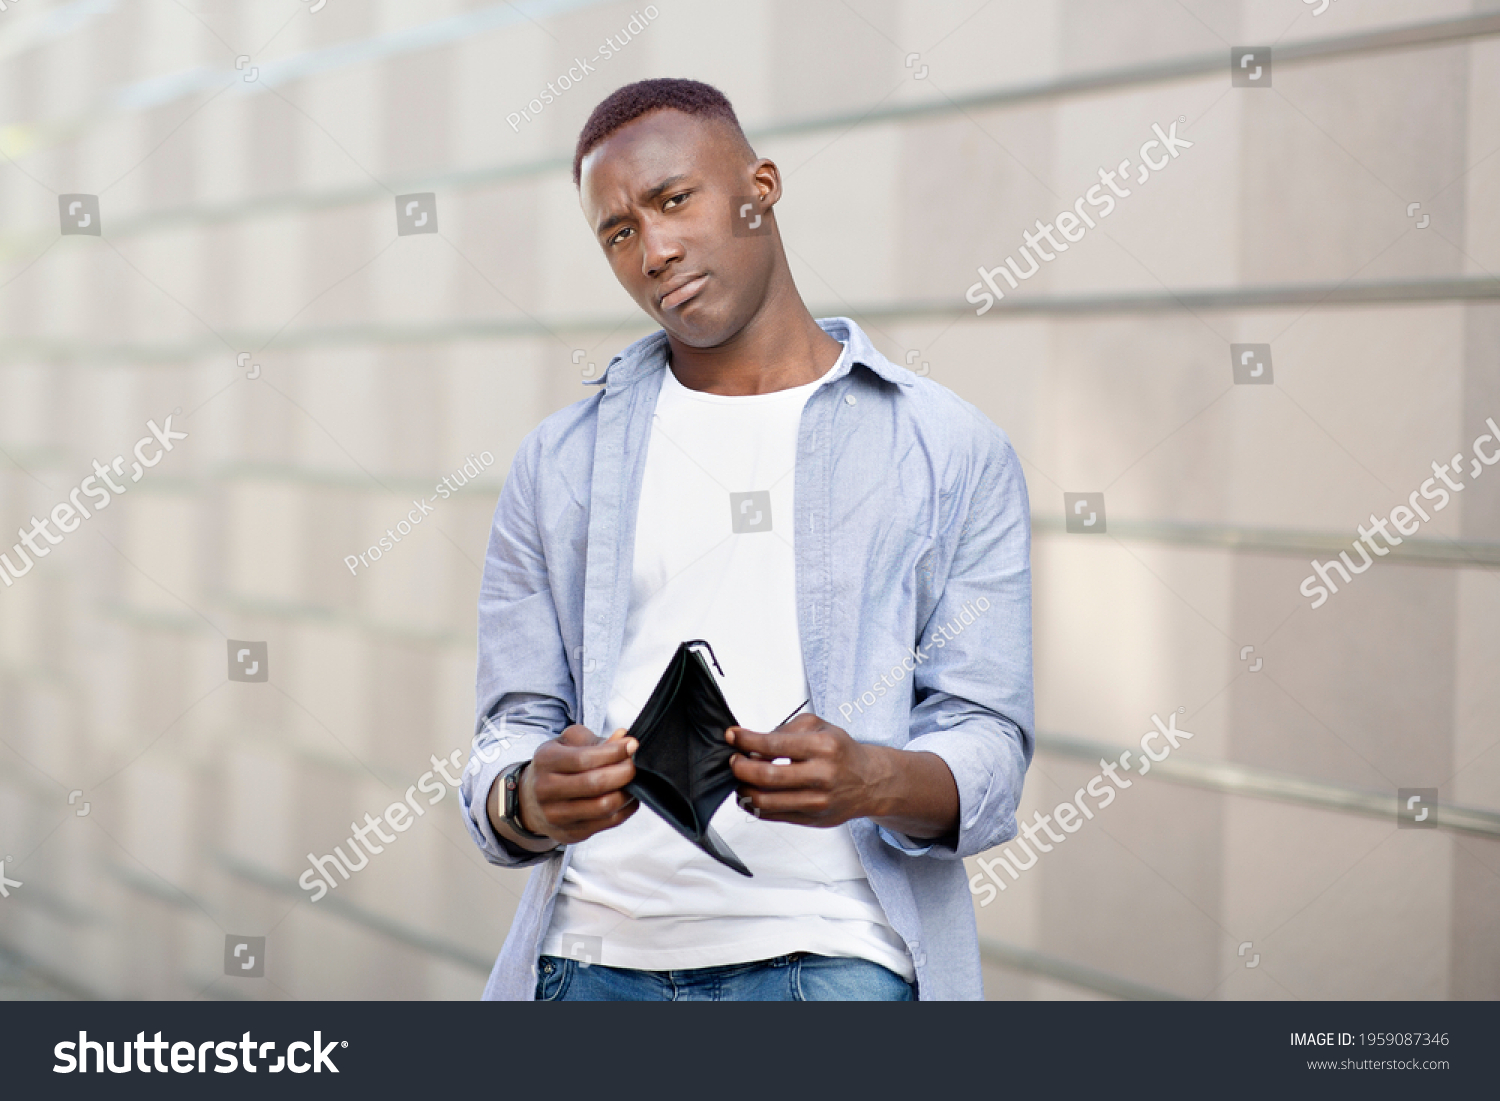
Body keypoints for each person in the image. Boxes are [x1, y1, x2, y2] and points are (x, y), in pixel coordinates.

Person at [460, 77, 1032, 1001]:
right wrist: (526, 795)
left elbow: (990, 742)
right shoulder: (558, 464)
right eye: (617, 231)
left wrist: (871, 778)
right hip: (593, 964)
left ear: (759, 187)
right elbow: (509, 731)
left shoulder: (948, 449)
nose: (654, 249)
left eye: (672, 199)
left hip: (839, 962)